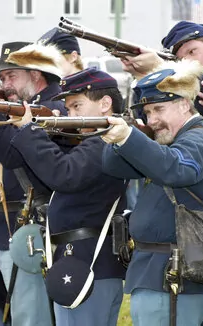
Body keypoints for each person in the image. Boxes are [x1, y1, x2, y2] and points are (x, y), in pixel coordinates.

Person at [102, 60, 203, 325]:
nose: (152, 119)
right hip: (159, 270)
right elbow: (112, 166)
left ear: (184, 104)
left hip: (175, 273)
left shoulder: (199, 140)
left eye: (159, 109)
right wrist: (122, 135)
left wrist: (129, 139)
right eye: (147, 111)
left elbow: (176, 169)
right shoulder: (173, 140)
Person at [7, 67, 126, 326]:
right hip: (86, 258)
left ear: (105, 104)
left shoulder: (103, 141)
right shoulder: (97, 140)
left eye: (77, 106)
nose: (71, 114)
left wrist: (30, 131)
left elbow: (65, 174)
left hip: (88, 260)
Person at [0, 41, 67, 326]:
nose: (4, 84)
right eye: (1, 78)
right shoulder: (19, 109)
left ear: (36, 75)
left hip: (31, 226)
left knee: (31, 316)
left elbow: (12, 155)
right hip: (12, 225)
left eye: (11, 76)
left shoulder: (52, 110)